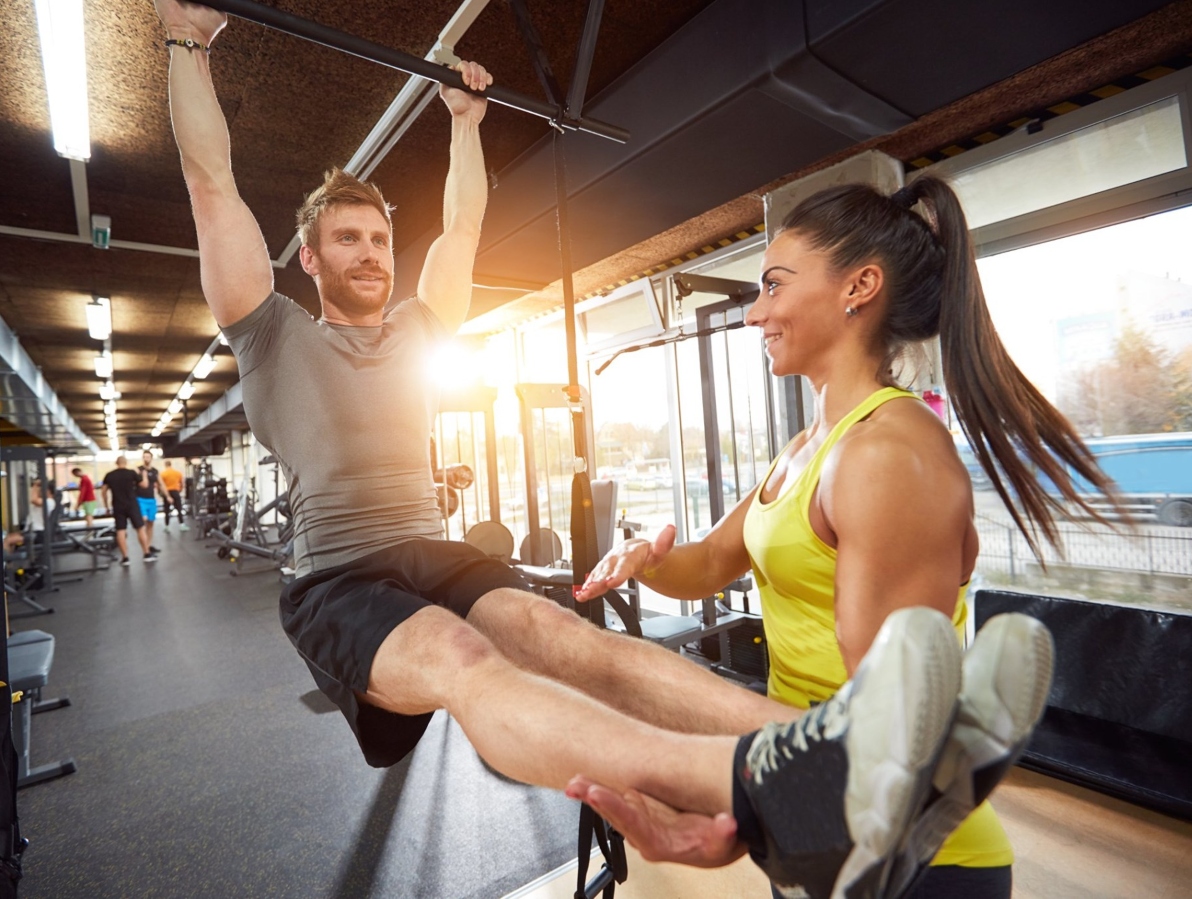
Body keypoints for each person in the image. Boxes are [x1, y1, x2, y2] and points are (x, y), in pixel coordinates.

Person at [156, 3, 1047, 895]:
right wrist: (185, 42)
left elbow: (461, 225)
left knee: (561, 636)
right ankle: (758, 776)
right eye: (347, 238)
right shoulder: (268, 331)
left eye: (381, 237)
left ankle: (861, 751)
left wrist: (465, 126)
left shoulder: (420, 327)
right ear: (306, 259)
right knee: (467, 664)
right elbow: (209, 182)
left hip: (437, 548)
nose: (371, 253)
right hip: (341, 574)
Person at [572, 175, 1126, 897]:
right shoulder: (809, 445)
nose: (753, 315)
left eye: (773, 286)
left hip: (909, 851)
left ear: (858, 286)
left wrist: (722, 776)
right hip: (820, 813)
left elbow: (889, 707)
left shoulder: (886, 453)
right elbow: (710, 559)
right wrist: (647, 557)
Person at [102, 455, 157, 566]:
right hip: (132, 504)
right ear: (125, 462)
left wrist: (106, 506)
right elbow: (145, 485)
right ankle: (146, 554)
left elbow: (103, 492)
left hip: (118, 505)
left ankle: (125, 558)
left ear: (116, 463)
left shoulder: (109, 475)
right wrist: (144, 475)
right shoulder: (131, 473)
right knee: (140, 528)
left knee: (120, 530)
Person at [137, 450, 170, 550]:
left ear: (151, 458)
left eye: (148, 457)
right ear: (143, 458)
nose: (146, 458)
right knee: (144, 520)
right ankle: (145, 549)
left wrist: (168, 496)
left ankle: (148, 546)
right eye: (144, 457)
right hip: (140, 499)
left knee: (150, 524)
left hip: (151, 500)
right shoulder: (138, 470)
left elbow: (161, 484)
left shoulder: (155, 471)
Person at [160, 460, 188, 531]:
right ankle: (182, 525)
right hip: (175, 492)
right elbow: (182, 483)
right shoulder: (177, 473)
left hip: (167, 492)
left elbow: (160, 485)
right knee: (179, 509)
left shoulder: (163, 474)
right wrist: (179, 490)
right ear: (171, 464)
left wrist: (161, 494)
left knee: (166, 510)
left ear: (165, 465)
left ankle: (167, 526)